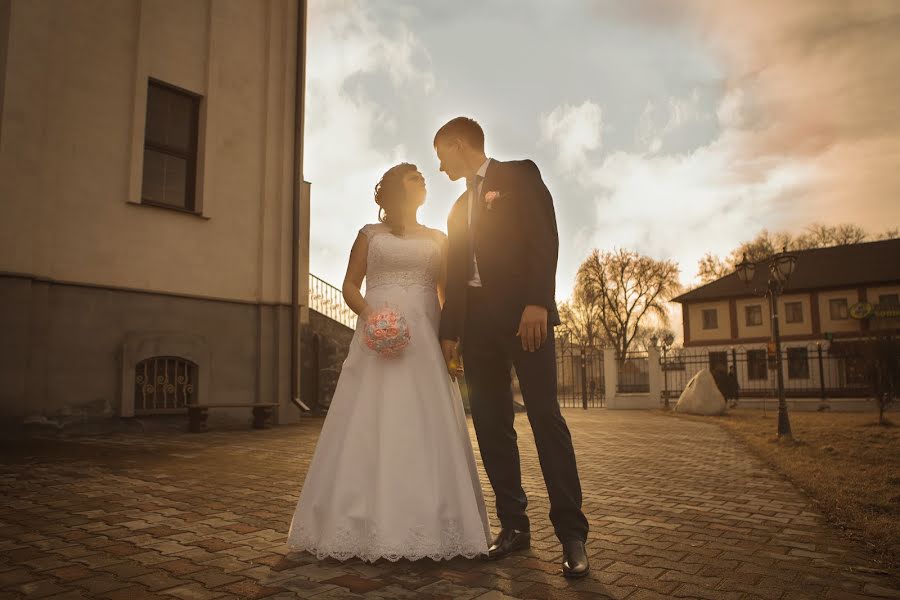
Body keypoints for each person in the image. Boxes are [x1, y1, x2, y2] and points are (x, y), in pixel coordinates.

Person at [287, 163, 490, 562]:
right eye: (414, 178)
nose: (423, 182)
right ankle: (359, 522)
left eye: (423, 180)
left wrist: (452, 340)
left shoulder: (438, 238)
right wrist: (370, 316)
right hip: (376, 340)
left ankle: (433, 520)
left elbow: (446, 293)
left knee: (425, 422)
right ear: (396, 188)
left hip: (424, 341)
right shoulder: (370, 235)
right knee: (368, 421)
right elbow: (349, 284)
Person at [434, 117, 590, 577]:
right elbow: (456, 279)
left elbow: (544, 238)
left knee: (545, 417)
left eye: (441, 154)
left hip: (526, 319)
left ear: (458, 145)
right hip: (477, 327)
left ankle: (572, 536)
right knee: (490, 424)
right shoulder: (457, 206)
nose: (439, 165)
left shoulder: (520, 175)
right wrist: (449, 332)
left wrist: (538, 302)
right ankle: (514, 527)